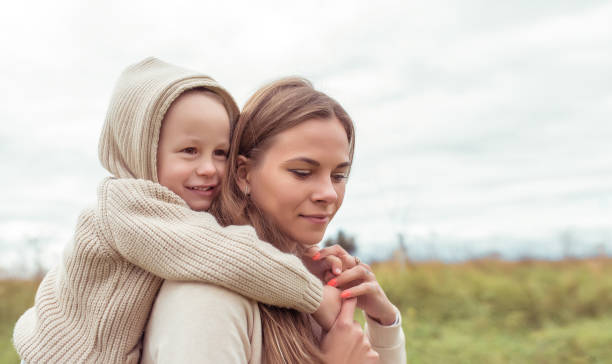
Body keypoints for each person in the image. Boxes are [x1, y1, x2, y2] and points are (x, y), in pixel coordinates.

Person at [12, 58, 341, 364]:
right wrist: (313, 296)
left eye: (220, 152)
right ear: (141, 148)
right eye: (189, 151)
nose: (209, 168)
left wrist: (303, 258)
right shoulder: (127, 206)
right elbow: (224, 253)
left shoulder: (173, 213)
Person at [142, 78, 406, 363]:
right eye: (302, 172)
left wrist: (384, 323)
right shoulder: (206, 299)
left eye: (339, 176)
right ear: (244, 174)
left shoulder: (313, 287)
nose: (329, 193)